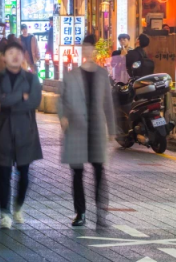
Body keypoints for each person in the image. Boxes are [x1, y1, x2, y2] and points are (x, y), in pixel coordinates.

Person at [59, 35, 116, 228]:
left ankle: (101, 213)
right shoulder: (71, 74)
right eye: (85, 48)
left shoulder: (102, 74)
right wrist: (63, 117)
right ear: (82, 51)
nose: (87, 51)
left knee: (99, 171)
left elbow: (108, 103)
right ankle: (80, 212)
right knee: (77, 172)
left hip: (96, 127)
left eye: (90, 48)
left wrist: (112, 129)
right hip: (76, 128)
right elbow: (63, 99)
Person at [0, 41, 43, 228]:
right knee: (3, 174)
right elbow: (0, 100)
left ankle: (18, 206)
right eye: (10, 52)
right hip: (3, 130)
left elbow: (34, 102)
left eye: (18, 52)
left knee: (24, 173)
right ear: (4, 57)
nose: (15, 55)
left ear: (23, 56)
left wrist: (10, 98)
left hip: (25, 131)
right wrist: (21, 96)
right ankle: (4, 213)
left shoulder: (31, 79)